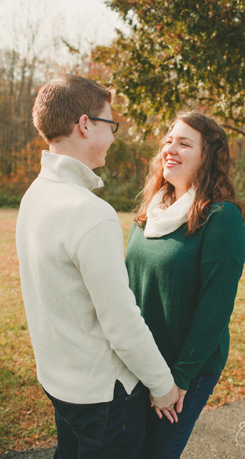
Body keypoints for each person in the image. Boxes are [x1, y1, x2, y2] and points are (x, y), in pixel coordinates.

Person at [16, 73, 180, 458]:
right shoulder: (91, 213)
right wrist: (162, 385)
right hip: (105, 397)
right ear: (85, 125)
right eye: (111, 124)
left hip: (59, 385)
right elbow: (121, 322)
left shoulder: (34, 196)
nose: (113, 135)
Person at [125, 112, 245, 459]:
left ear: (208, 155)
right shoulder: (149, 213)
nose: (170, 148)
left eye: (184, 143)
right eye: (168, 140)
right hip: (138, 361)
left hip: (185, 369)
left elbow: (216, 306)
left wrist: (179, 378)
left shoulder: (221, 218)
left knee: (155, 453)